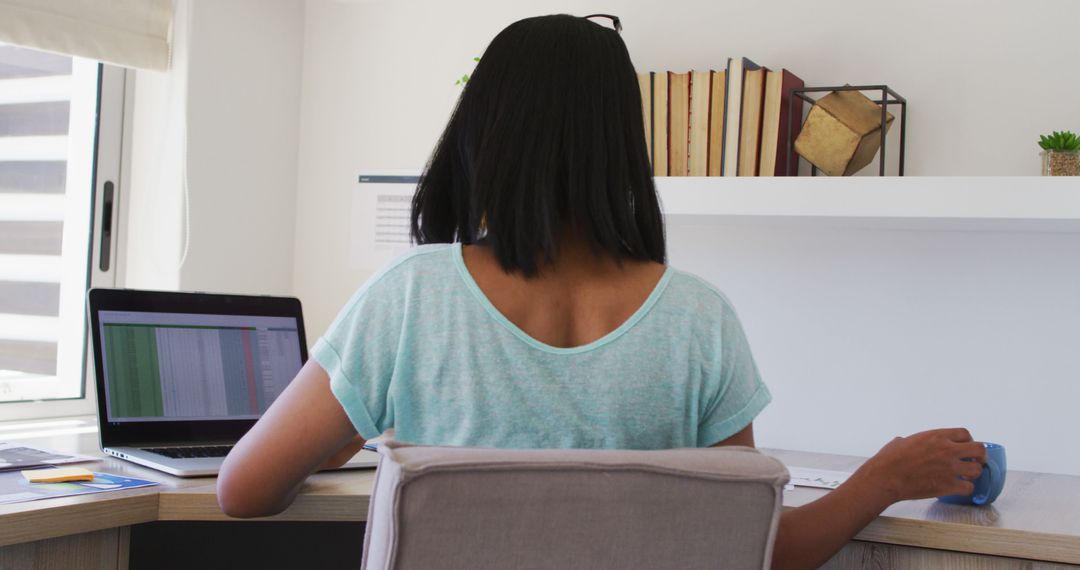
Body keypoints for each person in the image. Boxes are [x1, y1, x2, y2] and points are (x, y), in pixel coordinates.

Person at [218, 14, 986, 569]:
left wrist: (353, 424)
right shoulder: (697, 318)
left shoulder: (411, 297)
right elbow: (759, 551)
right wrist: (882, 478)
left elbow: (242, 490)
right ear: (622, 141)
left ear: (484, 132)